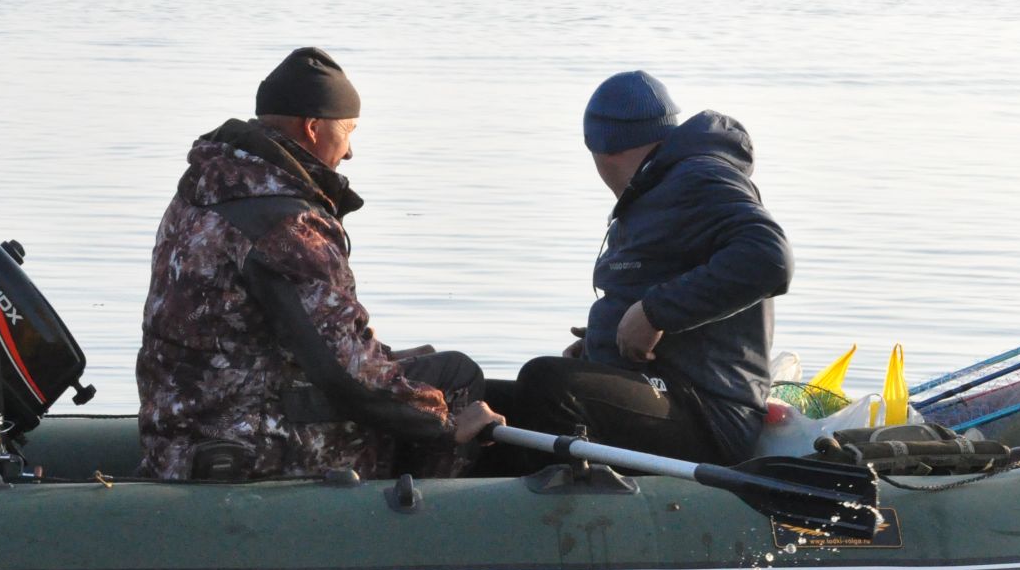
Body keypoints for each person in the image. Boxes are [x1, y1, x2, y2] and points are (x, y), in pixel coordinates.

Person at [136, 47, 502, 482]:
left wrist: (383, 360)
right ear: (312, 128)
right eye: (348, 131)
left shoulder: (205, 192)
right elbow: (343, 372)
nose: (349, 153)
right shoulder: (286, 223)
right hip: (249, 443)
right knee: (454, 376)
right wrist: (443, 423)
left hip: (185, 426)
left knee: (407, 372)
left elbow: (273, 339)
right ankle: (422, 531)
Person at [492, 71, 793, 466]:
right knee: (480, 394)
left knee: (547, 383)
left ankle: (571, 517)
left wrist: (654, 312)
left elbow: (769, 258)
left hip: (707, 414)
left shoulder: (699, 176)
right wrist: (604, 338)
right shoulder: (656, 186)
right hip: (664, 390)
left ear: (602, 149)